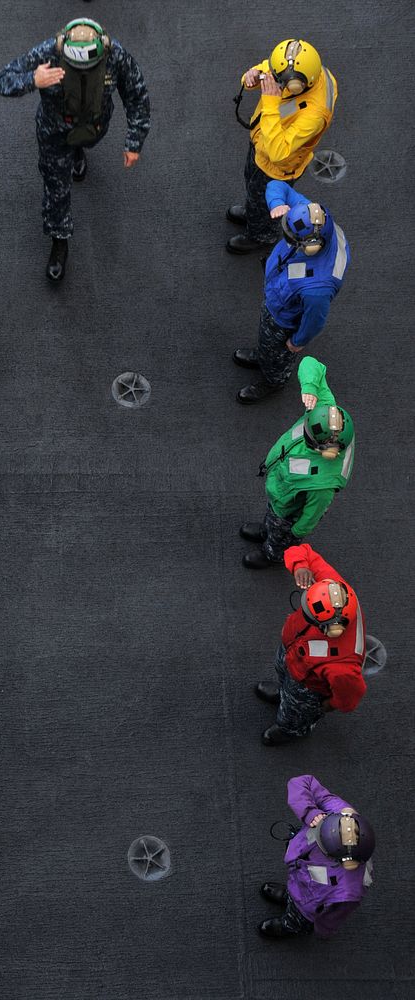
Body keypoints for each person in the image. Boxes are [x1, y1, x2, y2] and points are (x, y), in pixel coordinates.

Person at [0, 17, 150, 281]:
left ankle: (79, 151)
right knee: (56, 189)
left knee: (83, 144)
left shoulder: (116, 55)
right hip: (54, 133)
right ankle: (59, 241)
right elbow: (3, 80)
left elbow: (136, 95)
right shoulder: (48, 52)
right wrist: (34, 79)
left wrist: (134, 141)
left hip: (93, 128)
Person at [233, 182, 349, 402]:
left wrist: (296, 342)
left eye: (291, 239)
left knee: (279, 355)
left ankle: (273, 380)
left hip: (284, 320)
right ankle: (264, 354)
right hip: (277, 296)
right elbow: (278, 185)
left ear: (312, 246)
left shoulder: (319, 286)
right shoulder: (311, 217)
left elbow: (315, 320)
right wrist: (277, 203)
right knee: (267, 342)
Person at [241, 356, 354, 569]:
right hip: (281, 493)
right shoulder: (325, 412)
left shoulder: (324, 483)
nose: (304, 433)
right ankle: (268, 530)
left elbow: (313, 514)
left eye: (309, 439)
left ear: (325, 448)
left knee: (280, 536)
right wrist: (310, 388)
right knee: (273, 517)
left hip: (289, 512)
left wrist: (294, 533)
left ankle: (272, 553)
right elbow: (311, 363)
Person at [227, 38, 337, 253]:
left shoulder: (315, 115)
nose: (275, 83)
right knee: (252, 186)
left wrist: (269, 101)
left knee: (265, 199)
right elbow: (266, 69)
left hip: (277, 169)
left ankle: (261, 236)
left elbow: (278, 153)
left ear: (297, 85)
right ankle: (253, 213)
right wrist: (251, 76)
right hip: (261, 145)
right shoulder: (300, 68)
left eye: (280, 82)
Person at [255, 544, 366, 745]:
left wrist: (324, 706)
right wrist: (300, 566)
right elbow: (302, 551)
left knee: (295, 713)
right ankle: (284, 693)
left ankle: (291, 729)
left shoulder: (343, 664)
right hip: (292, 655)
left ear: (331, 628)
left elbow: (349, 697)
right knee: (286, 683)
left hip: (308, 686)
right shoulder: (334, 589)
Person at [259, 775, 374, 938]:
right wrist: (309, 811)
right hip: (300, 875)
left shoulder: (349, 889)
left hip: (309, 904)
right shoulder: (340, 815)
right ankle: (290, 895)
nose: (318, 827)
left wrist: (322, 929)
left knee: (300, 917)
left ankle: (291, 923)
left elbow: (334, 915)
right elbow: (302, 782)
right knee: (295, 888)